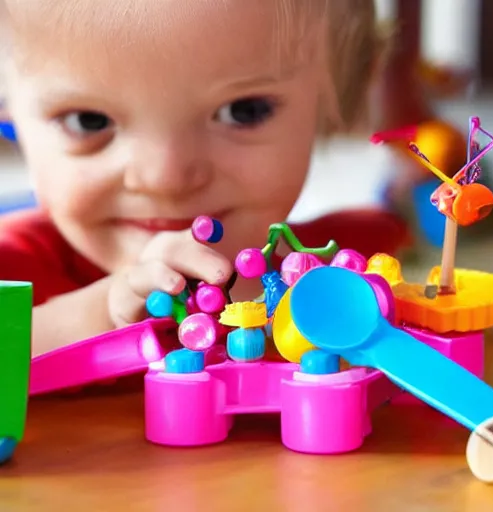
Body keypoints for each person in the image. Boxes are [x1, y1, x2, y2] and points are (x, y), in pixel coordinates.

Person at [0, 0, 409, 357]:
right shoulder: (12, 267)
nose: (166, 178)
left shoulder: (349, 266)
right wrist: (105, 310)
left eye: (243, 111)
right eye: (89, 121)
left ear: (347, 88)